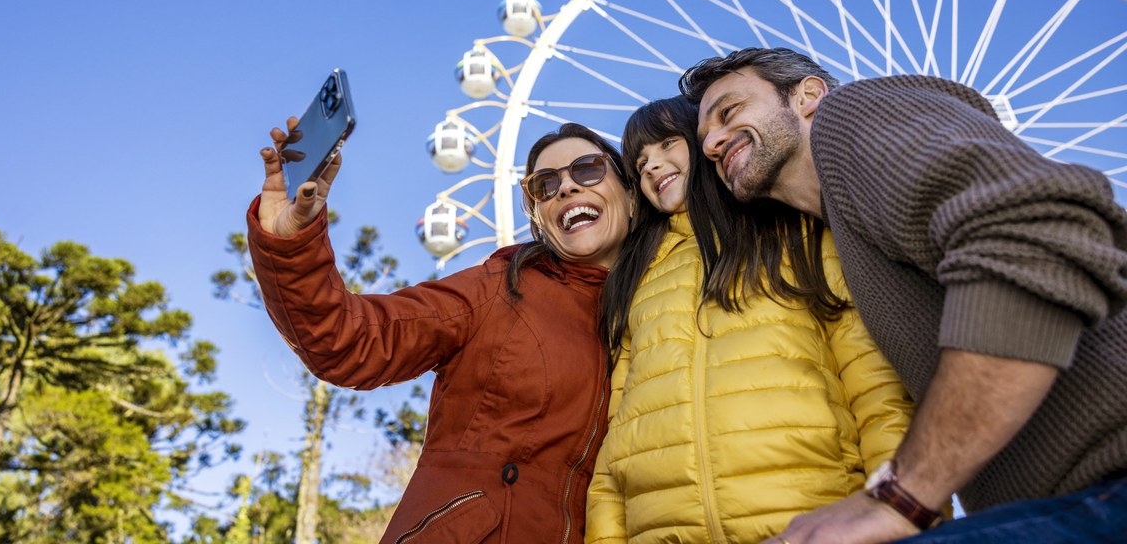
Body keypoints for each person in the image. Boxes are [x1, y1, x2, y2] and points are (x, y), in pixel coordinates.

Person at [680, 47, 1127, 543]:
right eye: (705, 140)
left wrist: (901, 497)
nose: (714, 144)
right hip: (1052, 506)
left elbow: (1034, 232)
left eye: (729, 112)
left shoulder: (849, 115)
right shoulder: (843, 234)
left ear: (809, 95)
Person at [248, 118, 633, 544]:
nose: (566, 188)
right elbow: (347, 339)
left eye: (588, 169)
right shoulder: (498, 289)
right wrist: (291, 240)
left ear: (632, 196)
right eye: (543, 185)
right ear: (538, 216)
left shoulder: (664, 317)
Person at [584, 97, 913, 544]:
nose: (651, 167)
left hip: (811, 522)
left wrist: (900, 509)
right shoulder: (639, 281)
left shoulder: (796, 236)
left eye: (667, 144)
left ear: (707, 144)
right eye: (640, 163)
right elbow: (616, 435)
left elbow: (875, 389)